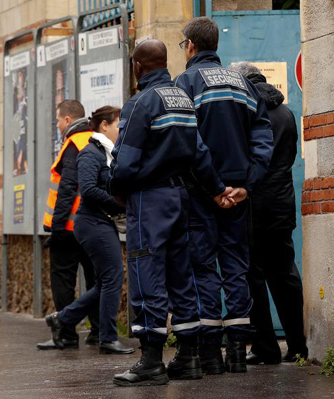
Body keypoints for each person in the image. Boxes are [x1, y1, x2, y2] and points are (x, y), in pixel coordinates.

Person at [109, 39, 234, 386]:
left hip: (149, 199)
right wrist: (216, 189)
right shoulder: (183, 99)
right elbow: (200, 154)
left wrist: (115, 190)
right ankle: (189, 356)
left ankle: (150, 360)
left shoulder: (141, 103)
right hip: (182, 198)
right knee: (182, 275)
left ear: (137, 66)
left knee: (146, 269)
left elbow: (125, 161)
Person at [174, 17, 274, 374]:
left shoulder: (184, 82)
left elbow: (187, 140)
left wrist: (213, 188)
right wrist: (247, 184)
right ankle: (236, 354)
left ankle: (210, 354)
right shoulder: (243, 83)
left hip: (203, 194)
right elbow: (263, 138)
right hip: (238, 194)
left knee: (203, 267)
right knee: (235, 268)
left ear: (190, 46)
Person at [228, 62, 308, 364]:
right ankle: (298, 345)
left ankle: (265, 346)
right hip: (282, 202)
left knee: (253, 275)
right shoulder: (286, 112)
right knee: (285, 273)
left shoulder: (247, 113)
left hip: (252, 203)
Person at [44, 106, 134, 355]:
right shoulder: (89, 153)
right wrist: (121, 203)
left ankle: (64, 319)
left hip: (100, 222)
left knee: (107, 280)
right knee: (112, 277)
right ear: (104, 125)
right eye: (118, 124)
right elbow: (88, 189)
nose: (121, 129)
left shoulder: (107, 153)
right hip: (91, 223)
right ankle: (106, 336)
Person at [38, 100, 100, 350]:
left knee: (63, 279)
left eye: (56, 121)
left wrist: (58, 225)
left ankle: (65, 334)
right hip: (93, 225)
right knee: (95, 278)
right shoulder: (96, 140)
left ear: (66, 120)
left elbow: (67, 188)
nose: (56, 126)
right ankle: (98, 331)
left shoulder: (73, 144)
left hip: (69, 227)